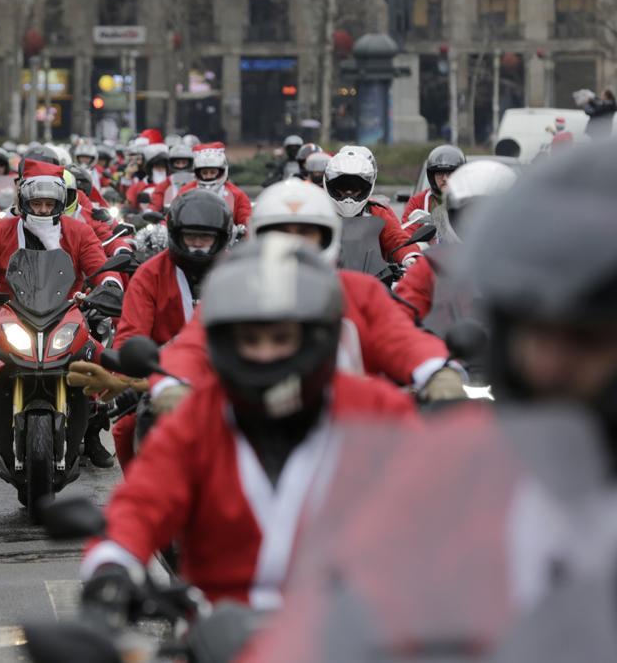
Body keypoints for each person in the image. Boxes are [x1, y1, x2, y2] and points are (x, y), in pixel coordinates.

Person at [241, 134, 617, 663]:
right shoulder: (451, 460)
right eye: (534, 332)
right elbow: (356, 585)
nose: (553, 362)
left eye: (590, 338)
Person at [79, 236, 418, 611]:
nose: (266, 352)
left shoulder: (378, 410)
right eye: (250, 339)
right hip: (221, 630)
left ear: (316, 338)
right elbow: (141, 504)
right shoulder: (196, 418)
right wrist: (108, 567)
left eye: (282, 338)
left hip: (349, 625)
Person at [150, 179, 464, 416]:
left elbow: (403, 340)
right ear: (259, 236)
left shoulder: (360, 291)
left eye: (306, 233)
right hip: (253, 424)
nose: (294, 243)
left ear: (328, 235)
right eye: (282, 232)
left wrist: (438, 371)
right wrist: (172, 384)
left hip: (350, 428)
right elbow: (192, 347)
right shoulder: (232, 288)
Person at [0, 160, 125, 467]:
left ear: (60, 203)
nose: (44, 209)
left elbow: (100, 269)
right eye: (37, 203)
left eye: (49, 203)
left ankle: (94, 430)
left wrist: (111, 285)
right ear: (23, 201)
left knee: (100, 357)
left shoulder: (79, 231)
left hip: (67, 311)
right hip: (12, 311)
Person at [88, 188, 234, 469]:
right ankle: (141, 502)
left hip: (229, 373)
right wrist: (128, 378)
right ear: (176, 235)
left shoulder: (240, 272)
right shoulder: (150, 274)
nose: (197, 246)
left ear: (221, 238)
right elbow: (131, 334)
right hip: (160, 373)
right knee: (126, 427)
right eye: (191, 237)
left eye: (205, 238)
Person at [393, 159, 517, 328]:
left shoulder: (529, 264)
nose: (480, 223)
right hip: (445, 348)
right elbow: (398, 319)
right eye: (471, 213)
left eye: (490, 213)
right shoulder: (434, 265)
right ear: (454, 214)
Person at [323, 145, 420, 266]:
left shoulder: (377, 211)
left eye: (355, 187)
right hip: (326, 278)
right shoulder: (320, 211)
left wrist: (411, 257)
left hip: (375, 279)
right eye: (342, 186)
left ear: (367, 187)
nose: (348, 193)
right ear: (329, 184)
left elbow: (397, 238)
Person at [171, 142, 253, 227]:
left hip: (226, 238)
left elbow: (247, 220)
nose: (208, 175)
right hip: (191, 237)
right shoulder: (185, 192)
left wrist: (244, 228)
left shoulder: (237, 194)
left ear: (222, 171)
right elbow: (171, 216)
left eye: (213, 172)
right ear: (198, 172)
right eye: (204, 172)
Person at [402, 144, 465, 227]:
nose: (445, 179)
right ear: (432, 176)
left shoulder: (472, 201)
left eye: (450, 173)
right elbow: (406, 234)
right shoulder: (417, 202)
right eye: (439, 173)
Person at [147, 143, 195, 212]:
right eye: (177, 163)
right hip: (170, 219)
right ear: (171, 164)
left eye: (184, 163)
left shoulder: (197, 182)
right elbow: (156, 202)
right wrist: (149, 212)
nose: (181, 166)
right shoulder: (166, 183)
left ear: (190, 163)